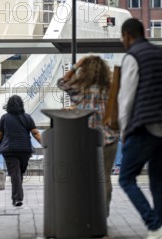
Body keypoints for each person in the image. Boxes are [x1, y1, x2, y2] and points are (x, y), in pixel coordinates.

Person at [117, 18, 162, 239]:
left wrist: (124, 131)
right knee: (156, 180)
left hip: (145, 126)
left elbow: (126, 97)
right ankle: (161, 229)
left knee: (126, 178)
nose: (123, 42)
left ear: (128, 35)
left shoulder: (133, 56)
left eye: (122, 37)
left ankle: (154, 224)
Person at [57, 55, 119, 215]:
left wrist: (75, 67)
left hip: (86, 139)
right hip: (109, 138)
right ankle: (102, 214)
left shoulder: (80, 89)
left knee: (85, 176)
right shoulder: (112, 88)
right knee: (105, 176)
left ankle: (87, 211)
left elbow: (61, 83)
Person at [0, 95, 41, 207]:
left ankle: (17, 197)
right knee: (17, 173)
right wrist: (46, 144)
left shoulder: (5, 118)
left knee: (16, 173)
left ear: (9, 106)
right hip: (25, 150)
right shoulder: (27, 117)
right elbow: (35, 133)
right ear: (21, 105)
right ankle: (17, 198)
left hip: (10, 149)